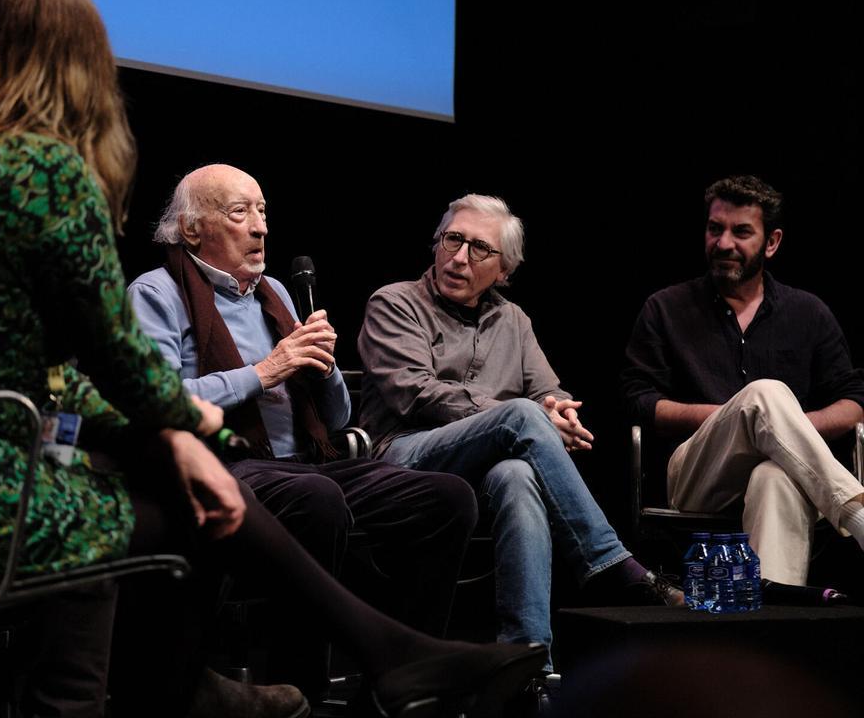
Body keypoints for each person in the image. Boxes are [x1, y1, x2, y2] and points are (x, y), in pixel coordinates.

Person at [0, 0, 545, 718]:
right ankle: (213, 688)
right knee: (182, 502)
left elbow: (59, 371)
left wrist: (180, 431)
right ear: (84, 68)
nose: (259, 226)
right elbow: (113, 355)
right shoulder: (39, 171)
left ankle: (268, 677)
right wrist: (192, 423)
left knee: (188, 483)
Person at [128, 164, 474, 696]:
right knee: (317, 497)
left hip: (304, 463)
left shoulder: (278, 297)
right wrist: (265, 371)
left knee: (446, 497)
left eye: (263, 211)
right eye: (239, 212)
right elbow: (159, 401)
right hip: (223, 465)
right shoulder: (156, 293)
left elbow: (336, 421)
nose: (260, 227)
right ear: (192, 229)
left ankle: (408, 684)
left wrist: (324, 366)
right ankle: (299, 693)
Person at [358, 194, 682, 671]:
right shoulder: (394, 302)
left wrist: (558, 412)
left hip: (483, 470)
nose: (460, 257)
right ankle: (613, 564)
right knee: (521, 420)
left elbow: (547, 392)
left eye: (480, 249)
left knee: (516, 474)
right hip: (402, 458)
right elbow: (416, 393)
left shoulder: (514, 319)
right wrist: (526, 416)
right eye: (453, 240)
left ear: (504, 270)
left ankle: (527, 662)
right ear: (436, 243)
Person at [621, 175, 864, 585]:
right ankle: (856, 512)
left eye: (741, 232)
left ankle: (764, 627)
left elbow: (854, 401)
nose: (724, 243)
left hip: (792, 468)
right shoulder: (666, 307)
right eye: (715, 229)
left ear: (771, 243)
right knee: (764, 395)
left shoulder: (809, 313)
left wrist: (783, 425)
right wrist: (739, 416)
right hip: (697, 470)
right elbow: (638, 399)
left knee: (776, 477)